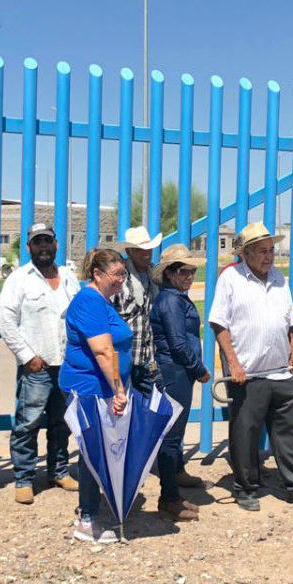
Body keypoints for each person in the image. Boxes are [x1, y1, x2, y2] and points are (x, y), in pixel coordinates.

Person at [208, 222, 293, 512]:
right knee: (245, 433)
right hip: (248, 374)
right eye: (262, 251)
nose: (268, 256)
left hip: (282, 371)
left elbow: (288, 321)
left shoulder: (279, 278)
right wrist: (233, 364)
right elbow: (218, 323)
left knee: (291, 433)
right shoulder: (231, 279)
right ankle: (245, 488)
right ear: (246, 254)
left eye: (271, 250)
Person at [0, 223, 80, 505]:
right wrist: (26, 356)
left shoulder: (69, 277)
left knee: (62, 423)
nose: (43, 247)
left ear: (56, 245)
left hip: (67, 365)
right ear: (29, 247)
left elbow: (78, 314)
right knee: (27, 423)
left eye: (47, 241)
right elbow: (6, 321)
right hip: (37, 367)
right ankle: (23, 478)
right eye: (37, 242)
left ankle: (58, 471)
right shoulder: (19, 279)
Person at [60, 248, 134, 544]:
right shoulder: (90, 301)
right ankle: (87, 519)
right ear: (97, 274)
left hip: (100, 388)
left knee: (99, 451)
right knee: (92, 452)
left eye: (123, 275)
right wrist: (118, 389)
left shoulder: (102, 301)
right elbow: (103, 350)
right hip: (89, 389)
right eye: (116, 275)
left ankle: (93, 512)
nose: (121, 281)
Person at [149, 245, 210, 520]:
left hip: (177, 371)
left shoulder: (174, 297)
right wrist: (199, 369)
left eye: (192, 271)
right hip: (174, 372)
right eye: (184, 271)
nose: (189, 276)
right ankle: (169, 498)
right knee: (171, 438)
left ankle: (174, 485)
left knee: (174, 435)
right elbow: (177, 343)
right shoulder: (172, 301)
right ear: (170, 274)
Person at [111, 225, 163, 395]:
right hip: (124, 358)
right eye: (140, 250)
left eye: (148, 249)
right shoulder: (119, 277)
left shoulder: (154, 275)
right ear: (130, 251)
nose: (146, 253)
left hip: (147, 358)